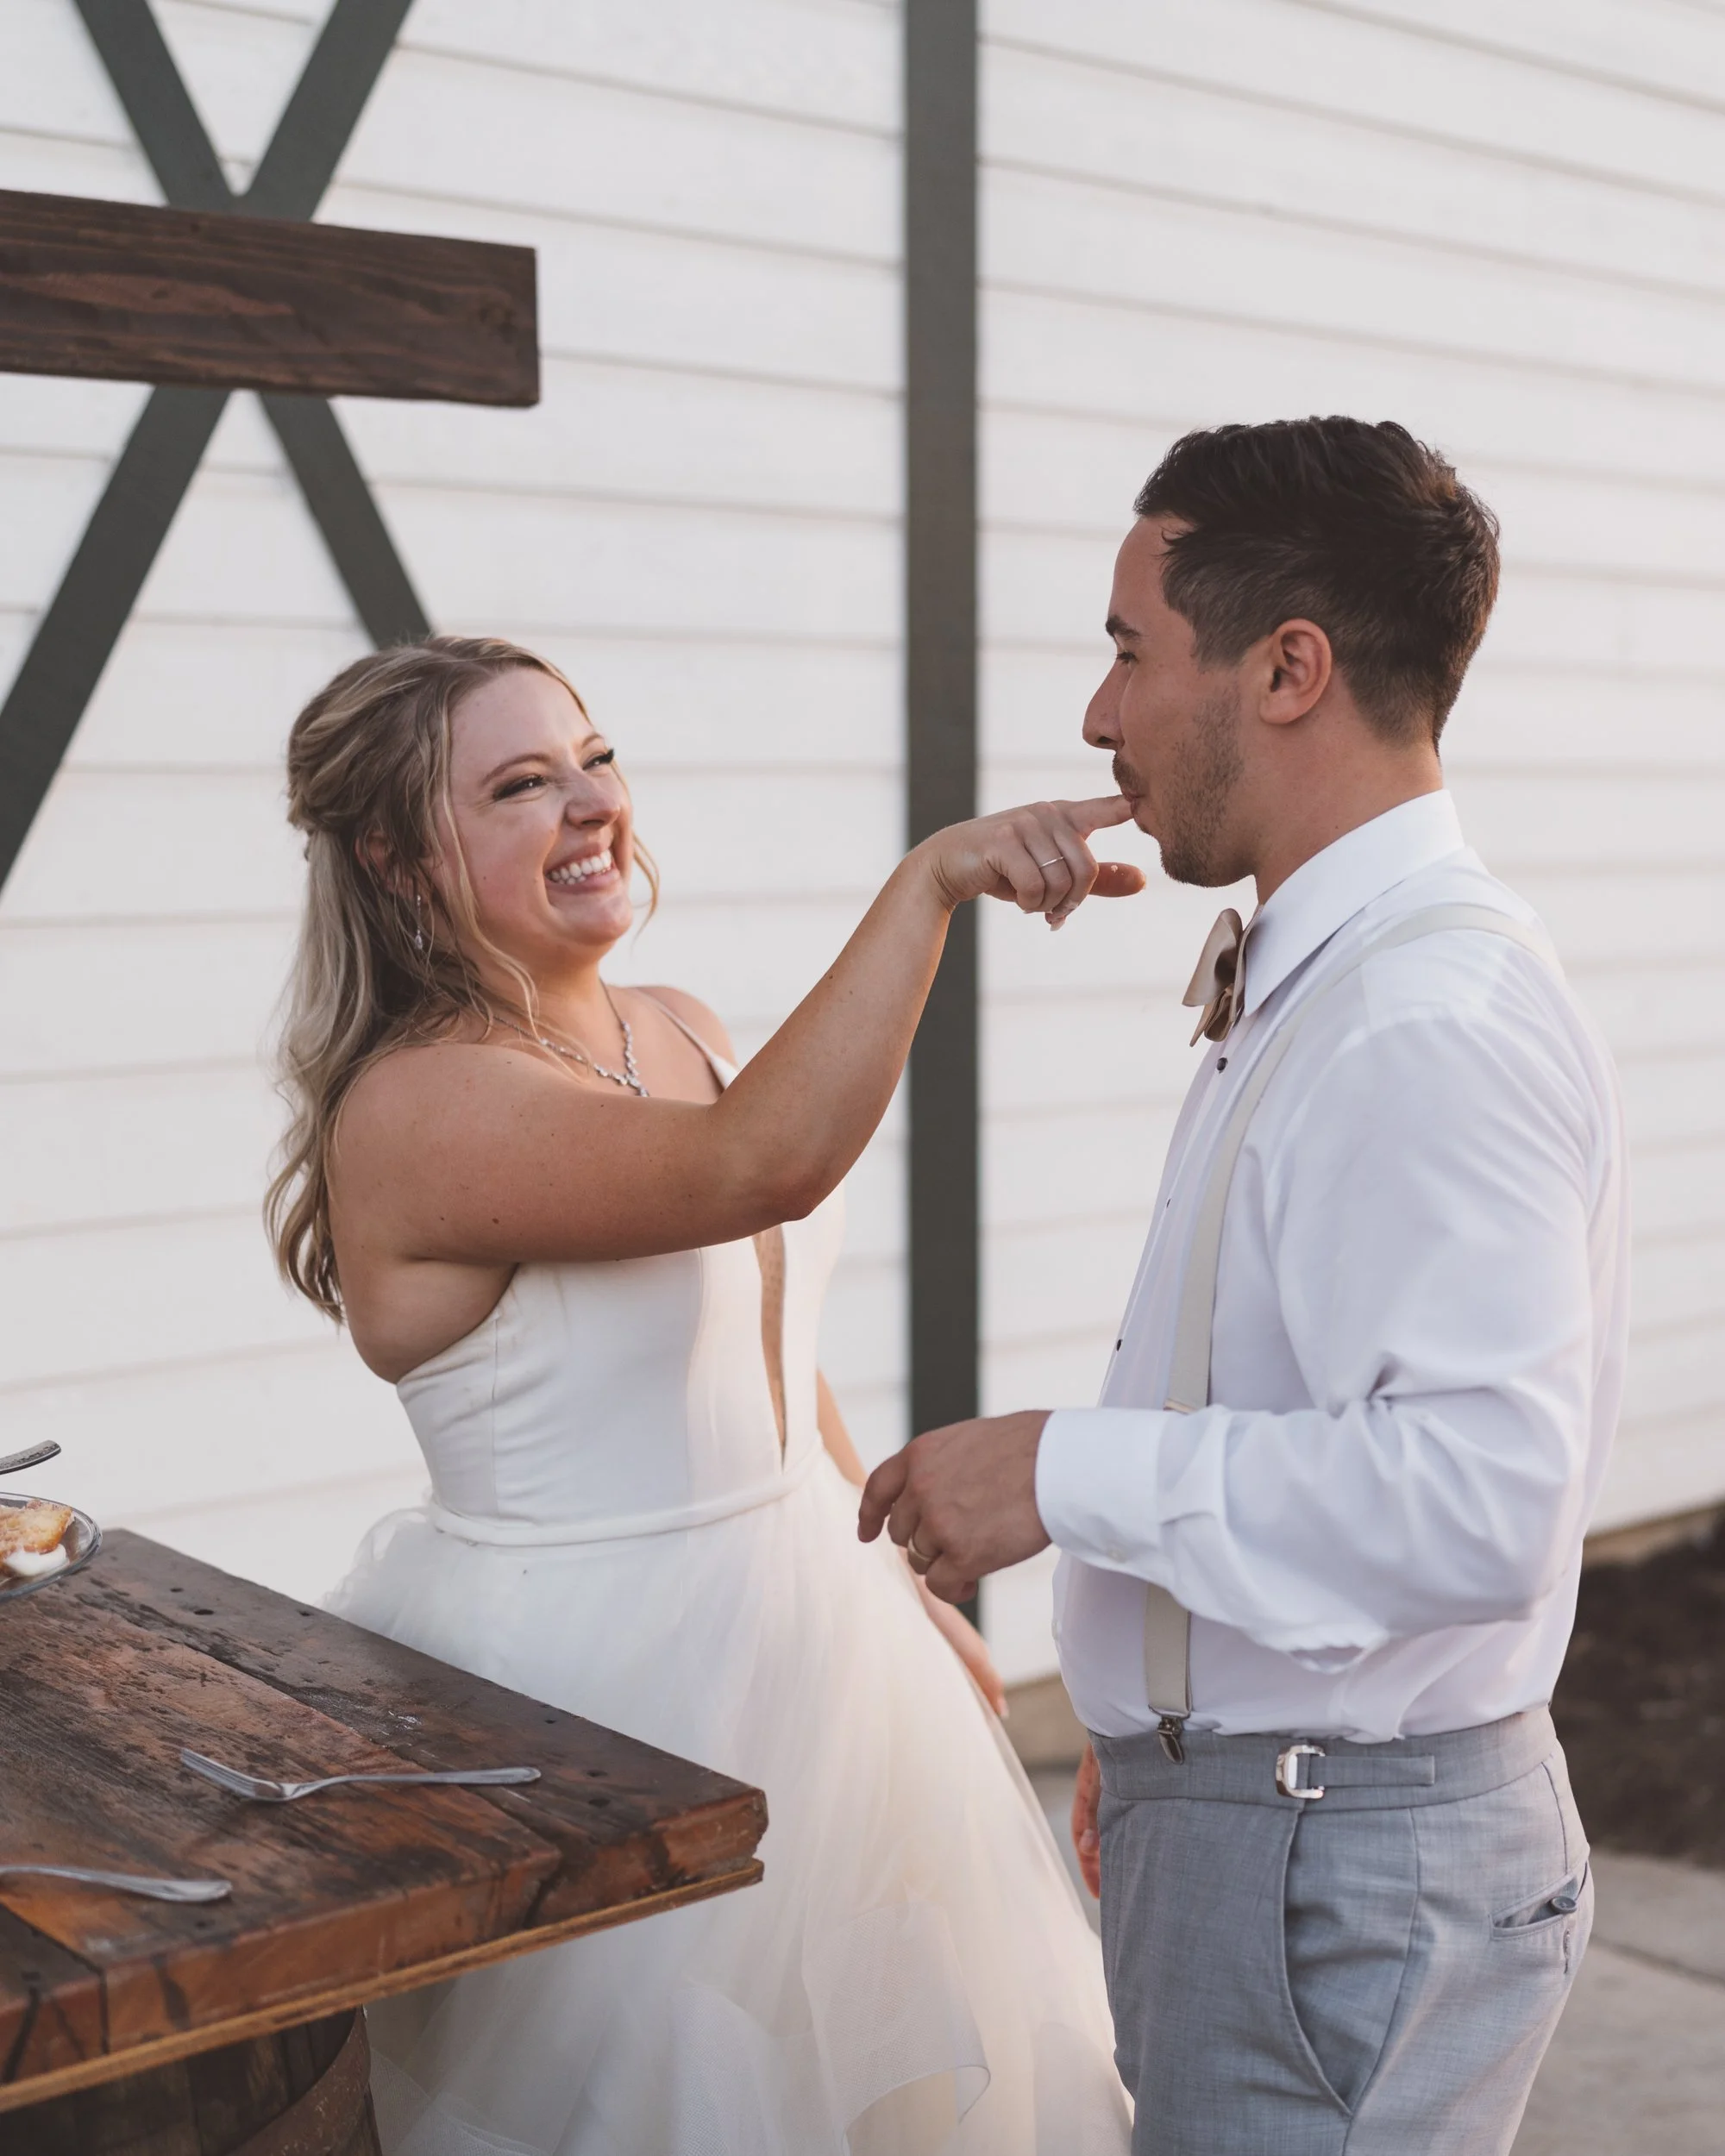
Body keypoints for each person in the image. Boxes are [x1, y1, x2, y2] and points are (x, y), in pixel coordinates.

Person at [861, 417, 1627, 2155]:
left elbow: (1479, 1496)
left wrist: (1060, 1473)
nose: (1095, 717)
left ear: (1288, 669)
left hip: (1331, 1872)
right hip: (1265, 1829)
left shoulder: (1421, 1020)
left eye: (1130, 650)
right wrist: (1161, 1747)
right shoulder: (1336, 972)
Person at [267, 635, 1138, 2156]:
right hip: (598, 1702)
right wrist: (931, 881)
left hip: (816, 1641)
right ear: (399, 861)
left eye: (593, 759)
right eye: (522, 785)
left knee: (889, 2081)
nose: (591, 804)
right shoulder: (423, 1101)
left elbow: (766, 1337)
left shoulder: (681, 1022)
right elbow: (759, 1171)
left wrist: (901, 1583)